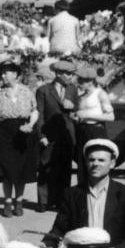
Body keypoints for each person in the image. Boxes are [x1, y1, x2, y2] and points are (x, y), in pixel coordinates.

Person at [0, 57, 40, 217]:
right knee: (6, 171)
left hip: (22, 134)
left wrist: (31, 124)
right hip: (3, 135)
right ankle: (7, 202)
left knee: (21, 171)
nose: (3, 76)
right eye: (1, 73)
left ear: (15, 74)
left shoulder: (27, 92)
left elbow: (35, 111)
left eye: (6, 73)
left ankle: (19, 202)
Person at [35, 57, 80, 212]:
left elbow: (78, 111)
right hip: (49, 136)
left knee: (64, 170)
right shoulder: (43, 91)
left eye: (72, 75)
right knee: (45, 169)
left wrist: (73, 107)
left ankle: (62, 202)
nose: (71, 77)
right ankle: (43, 202)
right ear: (59, 74)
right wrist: (41, 135)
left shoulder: (72, 90)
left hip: (67, 136)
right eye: (68, 74)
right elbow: (39, 115)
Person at [72, 63, 116, 155]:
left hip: (96, 131)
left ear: (90, 82)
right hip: (82, 131)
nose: (79, 84)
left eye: (81, 81)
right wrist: (76, 117)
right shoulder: (80, 97)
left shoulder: (100, 94)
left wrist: (87, 115)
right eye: (78, 81)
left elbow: (111, 117)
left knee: (95, 156)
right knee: (83, 161)